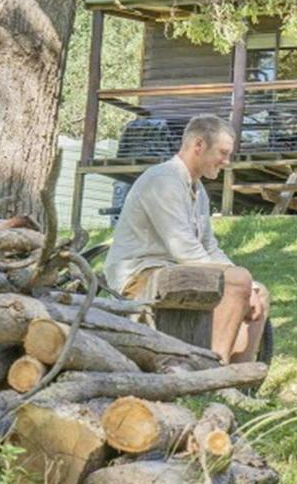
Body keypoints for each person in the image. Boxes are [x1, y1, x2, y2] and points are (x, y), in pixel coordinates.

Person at [104, 114, 268, 364]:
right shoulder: (163, 180)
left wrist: (251, 288)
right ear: (199, 145)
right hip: (140, 276)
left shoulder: (198, 189)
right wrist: (240, 280)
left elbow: (209, 247)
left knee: (259, 291)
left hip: (175, 270)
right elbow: (186, 252)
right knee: (237, 281)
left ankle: (239, 379)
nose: (226, 161)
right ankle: (213, 371)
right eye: (223, 153)